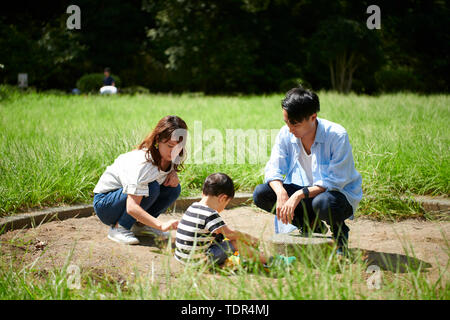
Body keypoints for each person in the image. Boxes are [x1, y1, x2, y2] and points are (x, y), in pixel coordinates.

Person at [253, 85, 362, 256]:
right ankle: (309, 224)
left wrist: (297, 195)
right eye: (287, 122)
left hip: (337, 197)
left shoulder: (337, 135)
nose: (290, 129)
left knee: (323, 203)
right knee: (261, 193)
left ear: (313, 117)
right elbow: (273, 169)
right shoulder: (286, 134)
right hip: (307, 195)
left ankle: (340, 234)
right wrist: (281, 192)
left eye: (295, 124)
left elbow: (334, 182)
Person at [93, 115, 188, 245]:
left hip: (125, 199)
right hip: (105, 204)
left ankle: (140, 225)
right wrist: (160, 225)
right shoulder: (144, 163)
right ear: (157, 140)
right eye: (170, 145)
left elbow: (161, 174)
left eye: (179, 146)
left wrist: (172, 174)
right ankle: (119, 228)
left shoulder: (169, 158)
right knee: (151, 187)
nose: (174, 151)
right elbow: (132, 207)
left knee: (173, 188)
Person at [174, 173, 296, 269]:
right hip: (198, 261)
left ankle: (248, 257)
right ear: (222, 198)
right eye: (226, 204)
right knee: (236, 243)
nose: (224, 208)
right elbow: (231, 234)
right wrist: (249, 238)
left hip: (182, 258)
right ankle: (271, 261)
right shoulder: (210, 214)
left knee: (225, 239)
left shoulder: (193, 206)